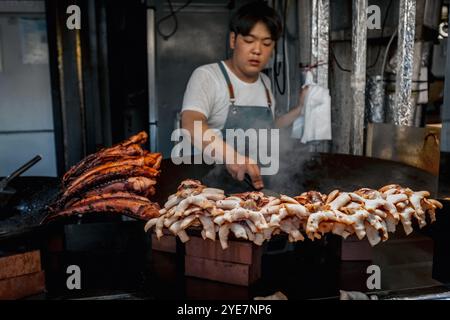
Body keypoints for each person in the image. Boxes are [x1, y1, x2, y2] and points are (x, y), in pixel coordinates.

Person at [181, 1, 308, 189]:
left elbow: (268, 127)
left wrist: (299, 110)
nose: (257, 50)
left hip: (257, 187)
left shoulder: (265, 83)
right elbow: (191, 124)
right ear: (233, 40)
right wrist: (231, 156)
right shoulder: (208, 76)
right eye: (249, 41)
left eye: (266, 43)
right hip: (215, 191)